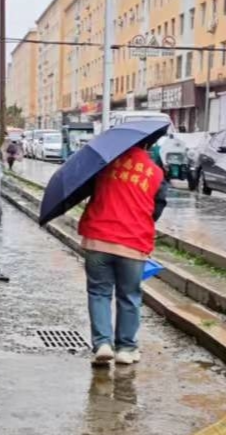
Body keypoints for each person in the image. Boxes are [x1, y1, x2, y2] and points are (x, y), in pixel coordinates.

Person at [78, 139, 168, 366]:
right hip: (133, 242)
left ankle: (103, 344)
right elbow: (157, 208)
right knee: (129, 296)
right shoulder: (155, 173)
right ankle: (126, 349)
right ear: (148, 146)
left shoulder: (104, 165)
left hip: (98, 239)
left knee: (99, 293)